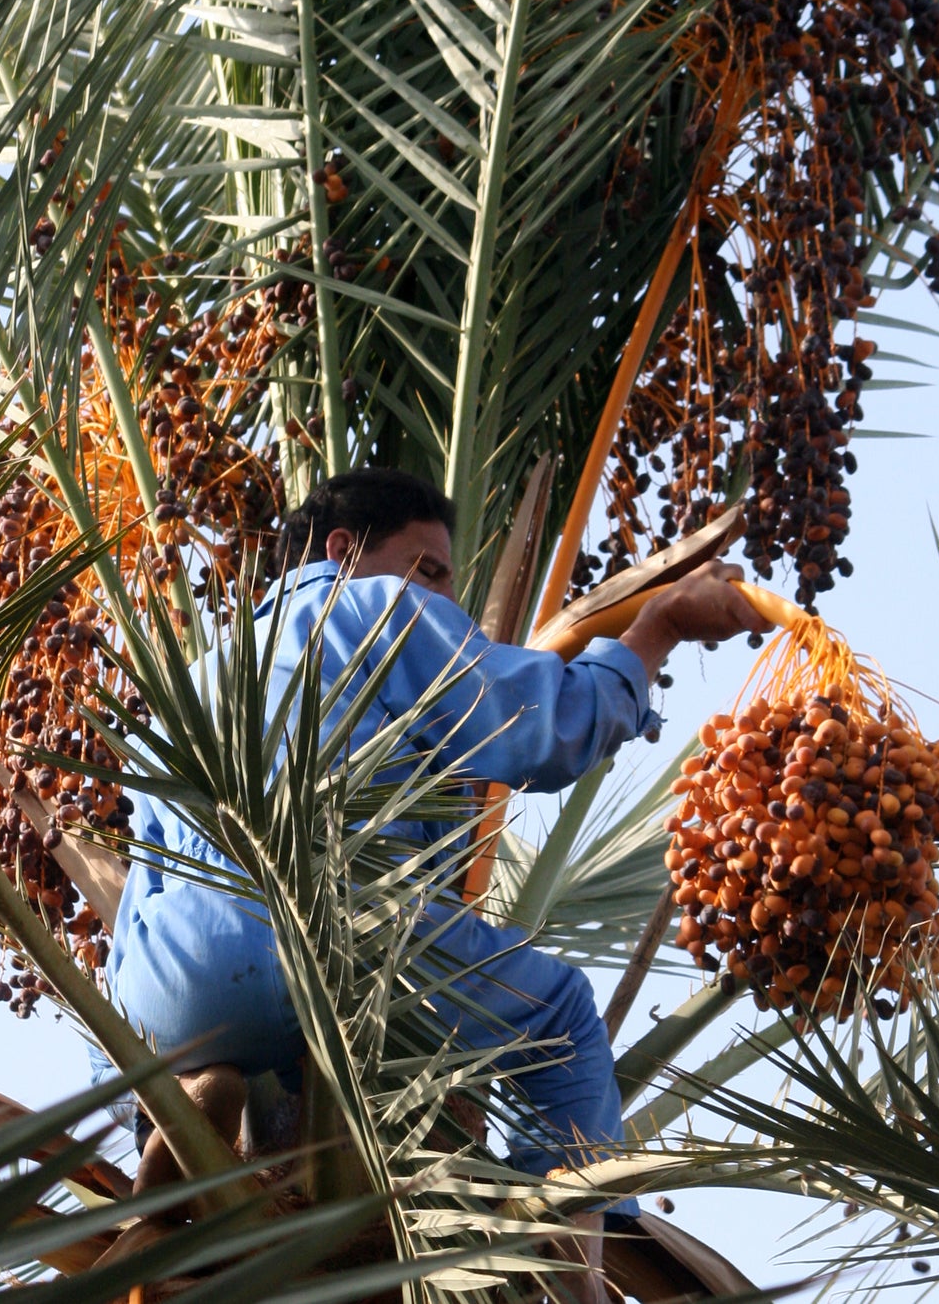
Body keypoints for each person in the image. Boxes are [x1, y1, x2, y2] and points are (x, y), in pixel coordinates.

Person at [94, 467, 761, 1291]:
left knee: (194, 1027)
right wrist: (657, 627)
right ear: (343, 549)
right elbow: (543, 729)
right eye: (431, 570)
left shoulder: (190, 682)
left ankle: (184, 1112)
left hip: (179, 984)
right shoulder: (376, 607)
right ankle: (570, 1262)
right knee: (559, 1017)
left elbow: (139, 905)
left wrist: (138, 1080)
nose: (445, 598)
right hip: (344, 947)